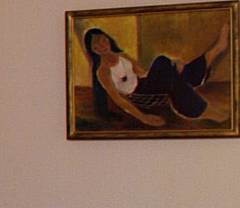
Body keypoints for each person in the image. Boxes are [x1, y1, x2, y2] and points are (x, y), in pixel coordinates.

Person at [83, 18, 231, 127]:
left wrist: (173, 64)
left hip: (145, 83)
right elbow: (119, 100)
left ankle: (217, 49)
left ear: (107, 39)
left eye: (103, 40)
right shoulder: (102, 71)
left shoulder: (122, 56)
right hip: (138, 94)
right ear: (94, 50)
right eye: (97, 45)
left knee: (163, 62)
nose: (103, 46)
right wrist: (144, 118)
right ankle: (209, 112)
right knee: (171, 76)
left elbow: (143, 73)